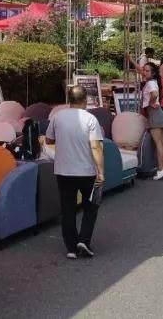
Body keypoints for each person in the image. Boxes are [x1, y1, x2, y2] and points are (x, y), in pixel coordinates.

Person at [44, 84, 106, 258]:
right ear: (85, 100)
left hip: (63, 171)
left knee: (68, 209)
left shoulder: (57, 117)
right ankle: (84, 240)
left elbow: (49, 139)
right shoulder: (91, 119)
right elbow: (96, 146)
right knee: (91, 206)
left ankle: (71, 248)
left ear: (69, 100)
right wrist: (101, 171)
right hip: (87, 171)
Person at [139, 63, 163, 181]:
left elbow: (155, 94)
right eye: (144, 70)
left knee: (158, 144)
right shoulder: (154, 82)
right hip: (160, 114)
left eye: (147, 71)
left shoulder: (150, 83)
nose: (145, 72)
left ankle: (161, 169)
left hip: (154, 114)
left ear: (153, 73)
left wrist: (150, 102)